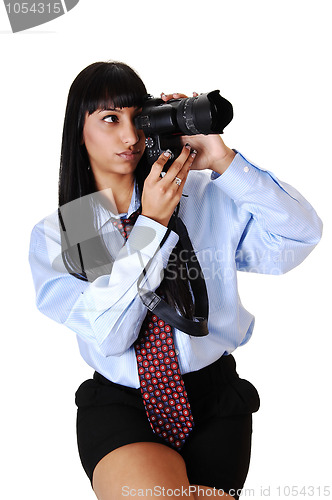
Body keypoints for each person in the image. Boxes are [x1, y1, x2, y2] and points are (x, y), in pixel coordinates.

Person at [29, 61, 322, 500]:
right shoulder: (72, 230)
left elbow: (299, 235)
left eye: (137, 118)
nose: (130, 137)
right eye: (110, 119)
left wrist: (223, 160)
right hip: (122, 406)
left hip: (215, 401)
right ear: (78, 130)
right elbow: (111, 335)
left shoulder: (203, 196)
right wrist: (151, 225)